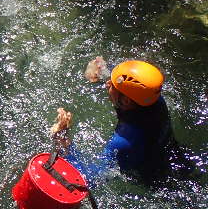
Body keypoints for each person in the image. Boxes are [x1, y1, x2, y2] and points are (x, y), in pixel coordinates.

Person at [52, 58, 194, 185]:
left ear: (126, 101)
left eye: (112, 84)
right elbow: (134, 83)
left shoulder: (124, 142)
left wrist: (62, 140)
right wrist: (102, 71)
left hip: (157, 182)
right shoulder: (154, 99)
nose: (108, 84)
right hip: (177, 160)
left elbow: (87, 179)